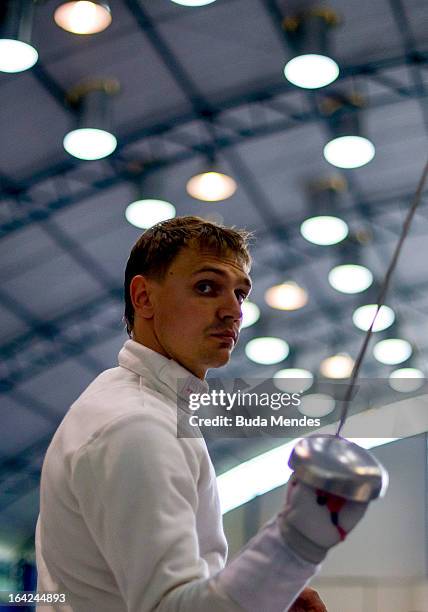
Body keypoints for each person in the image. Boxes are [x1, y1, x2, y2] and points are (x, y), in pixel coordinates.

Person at [36, 216, 370, 611]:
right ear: (143, 298)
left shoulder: (141, 405)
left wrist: (260, 592)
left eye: (241, 294)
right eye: (206, 287)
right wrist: (298, 541)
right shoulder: (137, 425)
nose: (233, 311)